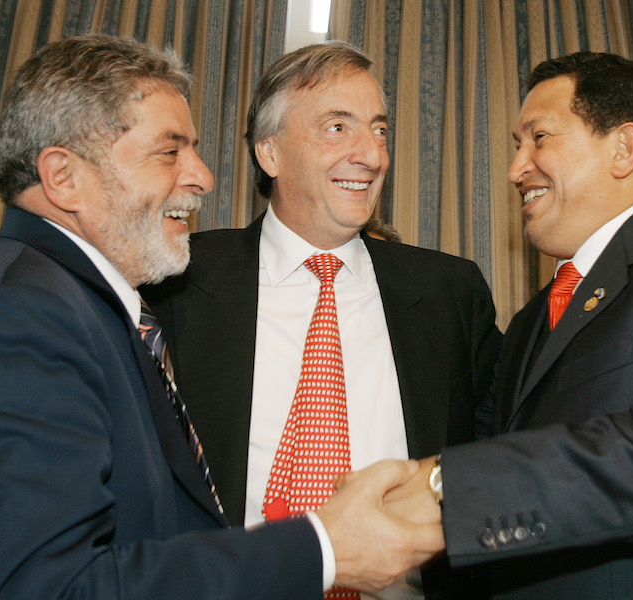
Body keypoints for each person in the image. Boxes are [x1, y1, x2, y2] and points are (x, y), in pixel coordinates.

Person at [0, 34, 446, 600]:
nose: (203, 176)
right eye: (170, 151)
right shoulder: (9, 321)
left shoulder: (61, 306)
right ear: (63, 176)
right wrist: (324, 548)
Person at [386, 51, 633, 599]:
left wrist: (445, 484)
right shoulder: (526, 325)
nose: (517, 169)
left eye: (538, 138)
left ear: (624, 148)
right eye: (517, 146)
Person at [139, 41, 501, 598]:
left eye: (379, 130)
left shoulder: (449, 292)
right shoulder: (174, 281)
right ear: (271, 153)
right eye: (338, 127)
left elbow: (502, 450)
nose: (372, 155)